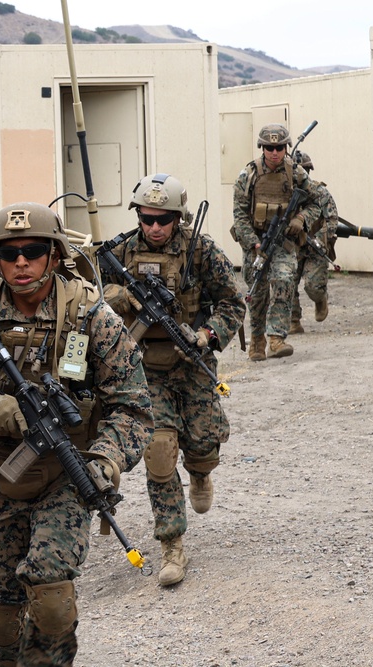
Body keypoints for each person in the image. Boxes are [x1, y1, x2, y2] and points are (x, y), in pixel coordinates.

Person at [0, 202, 152, 666]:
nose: (21, 262)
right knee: (0, 606)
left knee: (51, 594)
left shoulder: (92, 317)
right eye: (9, 253)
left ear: (54, 253)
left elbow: (133, 408)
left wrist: (104, 461)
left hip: (69, 467)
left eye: (33, 250)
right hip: (3, 468)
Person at [101, 174, 246, 586]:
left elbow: (233, 303)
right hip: (144, 369)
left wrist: (205, 335)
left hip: (191, 362)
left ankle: (201, 472)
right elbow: (90, 291)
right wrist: (120, 297)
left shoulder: (201, 250)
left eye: (164, 219)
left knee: (201, 441)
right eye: (147, 218)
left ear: (178, 217)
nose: (155, 228)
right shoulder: (121, 251)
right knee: (159, 451)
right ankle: (171, 545)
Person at [231, 123, 324, 361]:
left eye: (280, 147)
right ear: (262, 148)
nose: (275, 152)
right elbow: (240, 216)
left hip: (283, 241)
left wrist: (302, 219)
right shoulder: (248, 175)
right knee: (258, 292)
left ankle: (276, 337)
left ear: (286, 148)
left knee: (283, 281)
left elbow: (317, 201)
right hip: (256, 242)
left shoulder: (296, 173)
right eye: (270, 148)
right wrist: (254, 243)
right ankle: (258, 340)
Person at [289, 151, 338, 334]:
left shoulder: (320, 192)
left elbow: (332, 219)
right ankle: (293, 321)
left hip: (315, 248)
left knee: (313, 286)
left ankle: (320, 298)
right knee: (287, 283)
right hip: (292, 247)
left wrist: (321, 240)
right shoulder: (285, 194)